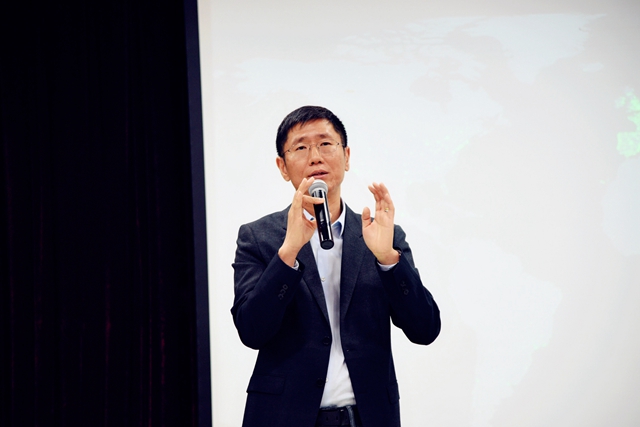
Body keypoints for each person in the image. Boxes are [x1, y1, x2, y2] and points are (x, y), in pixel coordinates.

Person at [231, 106, 440, 427]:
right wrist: (288, 252)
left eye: (326, 144)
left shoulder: (382, 235)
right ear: (282, 167)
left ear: (346, 156)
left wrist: (388, 259)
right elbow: (252, 331)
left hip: (367, 418)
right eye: (301, 147)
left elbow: (425, 330)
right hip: (284, 417)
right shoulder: (258, 237)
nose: (315, 157)